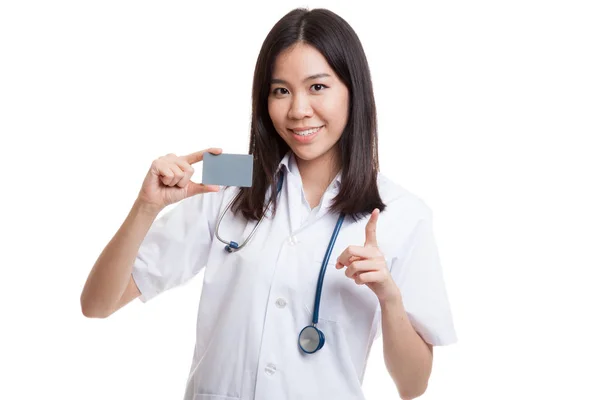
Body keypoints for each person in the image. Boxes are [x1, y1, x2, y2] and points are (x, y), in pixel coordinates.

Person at [80, 7, 457, 400]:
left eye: (317, 87)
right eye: (281, 90)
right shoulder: (230, 177)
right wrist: (146, 207)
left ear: (353, 91)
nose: (297, 110)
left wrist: (389, 297)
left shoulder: (401, 210)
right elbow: (97, 304)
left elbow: (413, 386)